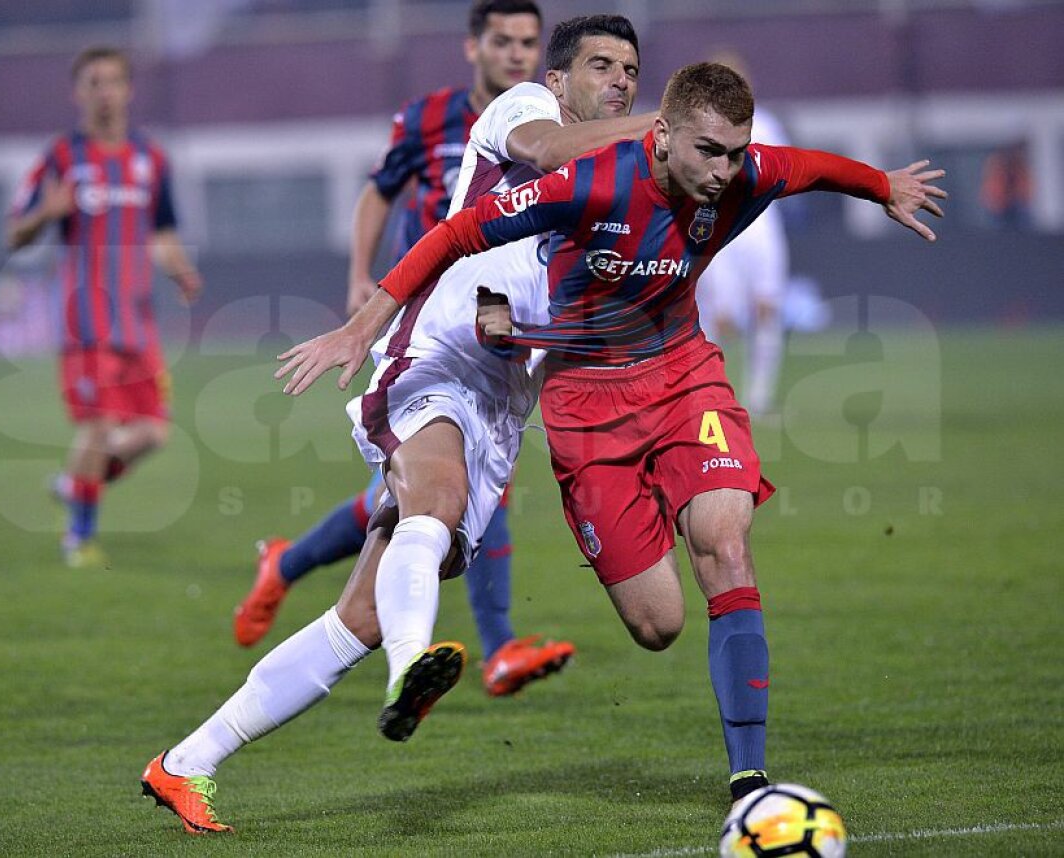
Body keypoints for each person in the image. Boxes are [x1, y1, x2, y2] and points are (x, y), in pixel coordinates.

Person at [276, 62, 946, 808]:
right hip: (586, 402)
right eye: (708, 152)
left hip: (684, 373)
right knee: (658, 625)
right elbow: (460, 231)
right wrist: (363, 323)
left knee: (726, 540)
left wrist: (884, 186)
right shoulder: (590, 184)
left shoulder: (749, 174)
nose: (726, 171)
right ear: (661, 139)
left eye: (737, 152)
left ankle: (749, 779)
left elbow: (816, 169)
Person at [141, 15, 654, 834]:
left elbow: (567, 313)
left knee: (360, 617)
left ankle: (183, 764)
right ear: (559, 81)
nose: (622, 81)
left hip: (499, 404)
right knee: (435, 499)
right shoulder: (524, 109)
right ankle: (413, 670)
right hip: (434, 359)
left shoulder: (616, 190)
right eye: (602, 65)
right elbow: (547, 155)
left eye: (632, 69)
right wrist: (670, 126)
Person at [234, 0, 574, 699]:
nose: (515, 54)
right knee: (455, 490)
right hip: (425, 317)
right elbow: (379, 191)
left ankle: (288, 562)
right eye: (502, 41)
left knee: (410, 502)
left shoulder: (555, 130)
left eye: (528, 43)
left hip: (488, 320)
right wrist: (363, 278)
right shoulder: (431, 119)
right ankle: (498, 647)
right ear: (471, 47)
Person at [6, 46, 202, 568]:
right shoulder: (61, 158)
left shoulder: (151, 159)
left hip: (136, 324)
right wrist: (44, 214)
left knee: (152, 433)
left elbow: (160, 231)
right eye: (94, 82)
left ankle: (76, 484)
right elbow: (15, 235)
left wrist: (179, 269)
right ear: (79, 93)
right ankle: (79, 538)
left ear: (129, 90)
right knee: (97, 426)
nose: (105, 92)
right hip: (84, 322)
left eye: (113, 81)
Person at [696, 50, 790, 417]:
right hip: (719, 227)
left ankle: (760, 399)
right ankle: (704, 397)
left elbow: (785, 175)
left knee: (768, 309)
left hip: (763, 225)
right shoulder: (698, 129)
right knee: (720, 317)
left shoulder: (764, 124)